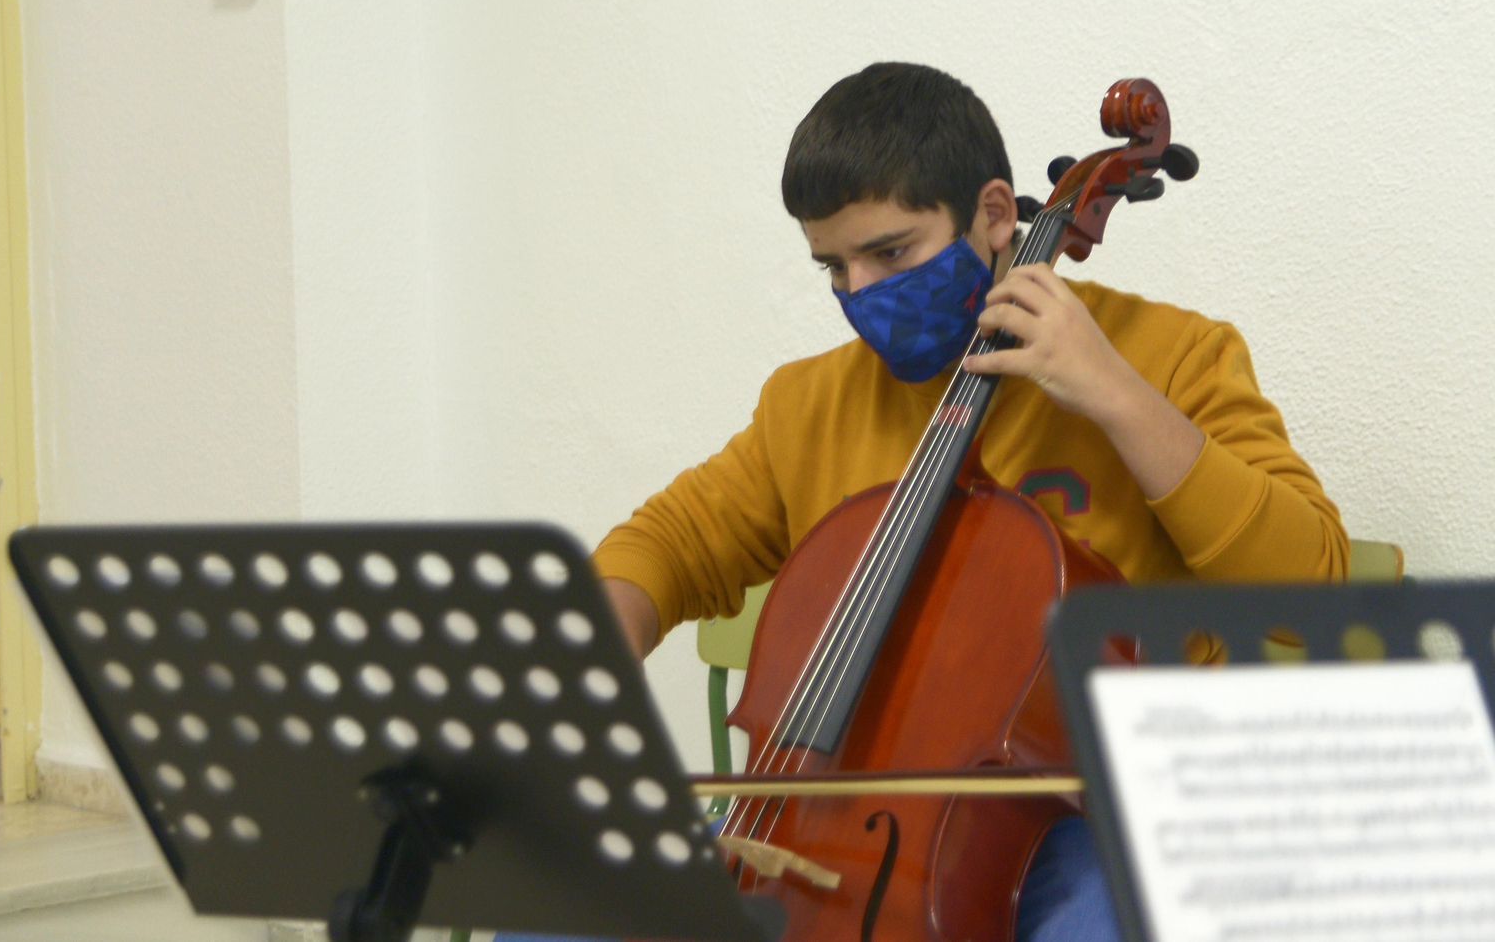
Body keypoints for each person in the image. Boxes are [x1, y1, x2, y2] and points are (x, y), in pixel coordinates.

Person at [506, 63, 1348, 942]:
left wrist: (1115, 395)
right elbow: (671, 542)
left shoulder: (1172, 356)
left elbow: (1313, 591)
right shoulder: (809, 403)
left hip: (1100, 824)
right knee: (550, 921)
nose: (860, 293)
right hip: (839, 821)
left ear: (992, 214)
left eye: (892, 252)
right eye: (833, 265)